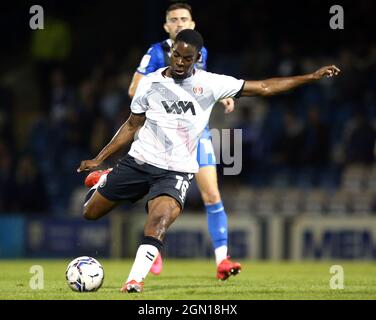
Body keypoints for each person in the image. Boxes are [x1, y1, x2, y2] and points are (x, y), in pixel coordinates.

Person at [77, 29, 340, 293]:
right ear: (171, 53)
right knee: (91, 213)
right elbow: (132, 126)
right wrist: (99, 158)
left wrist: (311, 77)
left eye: (187, 58)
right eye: (176, 56)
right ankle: (107, 176)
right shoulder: (150, 83)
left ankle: (134, 280)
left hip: (175, 172)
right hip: (138, 162)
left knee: (158, 220)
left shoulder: (211, 83)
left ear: (197, 57)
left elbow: (264, 87)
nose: (180, 62)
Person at [87, 2, 240, 280]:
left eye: (184, 19)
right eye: (174, 20)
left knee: (212, 194)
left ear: (192, 24)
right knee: (155, 188)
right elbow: (135, 89)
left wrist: (222, 94)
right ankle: (114, 180)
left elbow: (202, 84)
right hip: (161, 136)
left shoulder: (200, 50)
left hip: (196, 135)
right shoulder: (156, 52)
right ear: (166, 26)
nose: (180, 23)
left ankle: (222, 260)